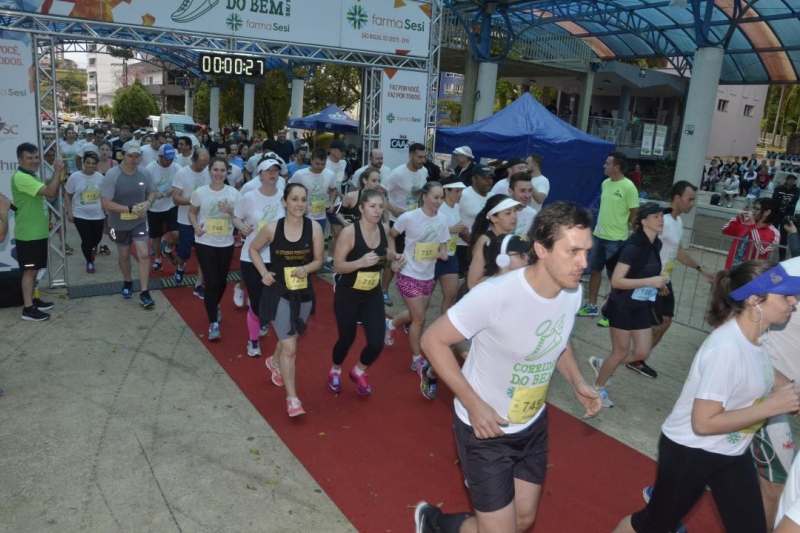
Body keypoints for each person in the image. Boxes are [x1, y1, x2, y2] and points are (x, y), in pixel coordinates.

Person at [414, 201, 602, 533]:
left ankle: (437, 525)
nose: (583, 263)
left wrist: (576, 380)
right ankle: (436, 521)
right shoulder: (496, 295)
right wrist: (474, 404)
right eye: (572, 251)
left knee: (524, 520)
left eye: (586, 251)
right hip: (485, 431)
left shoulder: (571, 292)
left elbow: (557, 338)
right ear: (541, 250)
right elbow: (432, 341)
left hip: (531, 424)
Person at [613, 260, 800, 533]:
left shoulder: (759, 336)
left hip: (732, 452)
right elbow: (703, 423)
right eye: (786, 296)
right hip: (691, 452)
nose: (794, 302)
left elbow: (765, 369)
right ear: (754, 300)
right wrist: (771, 406)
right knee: (654, 524)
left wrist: (789, 391)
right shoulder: (726, 348)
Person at [248, 183, 325, 417]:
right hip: (278, 293)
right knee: (290, 346)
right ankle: (292, 399)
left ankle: (274, 361)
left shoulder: (314, 229)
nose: (299, 204)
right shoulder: (273, 228)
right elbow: (253, 249)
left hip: (303, 293)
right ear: (284, 202)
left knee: (291, 335)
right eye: (294, 199)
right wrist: (264, 273)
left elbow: (320, 260)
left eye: (303, 199)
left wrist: (306, 268)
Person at [588, 203, 670, 407]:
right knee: (621, 352)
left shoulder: (655, 244)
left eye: (662, 216)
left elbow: (645, 271)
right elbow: (616, 281)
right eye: (656, 216)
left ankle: (603, 364)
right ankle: (597, 390)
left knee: (643, 352)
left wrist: (659, 281)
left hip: (640, 304)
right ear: (643, 221)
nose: (661, 219)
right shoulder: (633, 246)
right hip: (621, 305)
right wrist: (650, 282)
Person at [329, 189, 404, 396]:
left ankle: (358, 371)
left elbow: (382, 251)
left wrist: (395, 256)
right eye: (372, 206)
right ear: (361, 208)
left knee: (376, 342)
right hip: (348, 294)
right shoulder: (349, 233)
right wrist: (360, 263)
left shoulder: (383, 228)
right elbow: (338, 266)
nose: (377, 210)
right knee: (347, 338)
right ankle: (335, 370)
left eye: (380, 206)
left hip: (372, 294)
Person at [384, 181, 450, 399]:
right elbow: (391, 235)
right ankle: (416, 359)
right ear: (425, 197)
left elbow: (443, 244)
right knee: (420, 318)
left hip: (427, 275)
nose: (439, 202)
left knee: (414, 315)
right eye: (436, 197)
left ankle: (391, 324)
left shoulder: (442, 220)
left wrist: (443, 253)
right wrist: (394, 258)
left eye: (441, 198)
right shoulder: (409, 218)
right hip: (408, 272)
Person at [650, 181, 715, 351]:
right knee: (654, 325)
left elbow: (678, 251)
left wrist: (701, 269)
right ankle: (635, 357)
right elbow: (647, 252)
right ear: (677, 198)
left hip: (665, 279)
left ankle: (638, 357)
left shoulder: (677, 221)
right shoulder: (661, 220)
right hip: (652, 280)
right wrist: (656, 280)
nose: (692, 204)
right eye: (690, 199)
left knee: (666, 321)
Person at [577, 151, 639, 327]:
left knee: (615, 278)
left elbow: (633, 212)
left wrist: (624, 227)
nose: (604, 166)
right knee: (595, 271)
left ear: (616, 167)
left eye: (607, 163)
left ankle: (613, 312)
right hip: (598, 236)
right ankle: (592, 306)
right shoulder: (605, 183)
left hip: (616, 239)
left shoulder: (629, 187)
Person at [233, 159, 285, 356]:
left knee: (274, 299)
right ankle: (253, 341)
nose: (272, 173)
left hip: (277, 257)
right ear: (260, 174)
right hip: (251, 257)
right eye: (268, 170)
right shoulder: (249, 197)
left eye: (276, 170)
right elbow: (236, 216)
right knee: (256, 300)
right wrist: (240, 226)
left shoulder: (284, 197)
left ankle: (264, 320)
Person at [188, 157, 242, 340]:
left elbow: (239, 218)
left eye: (222, 170)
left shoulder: (234, 193)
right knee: (211, 282)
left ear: (227, 172)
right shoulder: (200, 192)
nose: (219, 174)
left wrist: (231, 211)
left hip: (225, 243)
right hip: (205, 241)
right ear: (209, 171)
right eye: (215, 170)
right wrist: (195, 225)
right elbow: (191, 212)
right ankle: (213, 323)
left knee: (221, 281)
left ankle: (215, 304)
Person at [100, 144, 157, 308]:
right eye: (130, 156)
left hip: (140, 221)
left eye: (137, 156)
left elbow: (151, 192)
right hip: (118, 222)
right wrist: (130, 209)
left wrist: (148, 202)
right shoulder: (112, 175)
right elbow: (106, 203)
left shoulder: (144, 172)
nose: (134, 159)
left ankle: (145, 292)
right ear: (123, 155)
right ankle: (127, 281)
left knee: (144, 253)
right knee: (124, 256)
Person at [10, 142, 61, 321]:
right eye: (29, 158)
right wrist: (57, 171)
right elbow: (51, 193)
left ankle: (33, 300)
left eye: (36, 157)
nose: (35, 161)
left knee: (35, 269)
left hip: (37, 233)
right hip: (29, 234)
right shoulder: (22, 178)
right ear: (20, 159)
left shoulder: (31, 176)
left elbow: (50, 193)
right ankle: (28, 309)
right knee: (29, 272)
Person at [380, 142, 429, 306]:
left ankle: (411, 289)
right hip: (397, 222)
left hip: (415, 222)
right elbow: (380, 193)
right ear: (411, 155)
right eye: (419, 157)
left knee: (413, 257)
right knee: (394, 257)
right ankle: (384, 290)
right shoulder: (398, 173)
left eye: (424, 157)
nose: (422, 160)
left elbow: (422, 195)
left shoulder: (424, 172)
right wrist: (392, 207)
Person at [172, 148, 211, 296]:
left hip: (204, 220)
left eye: (206, 163)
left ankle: (198, 284)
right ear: (193, 160)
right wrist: (195, 201)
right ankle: (180, 267)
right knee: (184, 252)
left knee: (203, 253)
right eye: (201, 163)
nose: (203, 167)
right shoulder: (182, 173)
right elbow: (175, 199)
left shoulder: (209, 172)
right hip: (185, 220)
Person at [64, 151, 105, 274]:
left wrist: (107, 212)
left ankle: (91, 249)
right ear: (83, 162)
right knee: (86, 239)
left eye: (93, 163)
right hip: (80, 214)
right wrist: (69, 212)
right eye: (88, 163)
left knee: (97, 237)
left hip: (98, 214)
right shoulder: (75, 177)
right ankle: (89, 261)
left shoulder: (100, 177)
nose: (90, 166)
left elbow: (105, 196)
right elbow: (67, 194)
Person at [466, 195, 520, 290]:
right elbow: (472, 283)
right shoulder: (485, 241)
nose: (514, 216)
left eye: (515, 211)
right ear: (494, 218)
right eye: (508, 213)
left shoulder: (510, 239)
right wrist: (504, 274)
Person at [454, 164, 494, 280]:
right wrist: (463, 234)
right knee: (472, 282)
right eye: (484, 178)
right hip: (463, 246)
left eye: (490, 178)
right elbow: (452, 216)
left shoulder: (493, 197)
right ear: (474, 179)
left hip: (486, 247)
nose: (488, 181)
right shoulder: (463, 195)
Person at [145, 144, 180, 272]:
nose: (170, 161)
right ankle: (158, 260)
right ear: (160, 156)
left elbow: (182, 182)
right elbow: (144, 187)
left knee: (177, 233)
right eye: (167, 159)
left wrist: (174, 189)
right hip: (155, 208)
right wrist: (153, 193)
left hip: (171, 205)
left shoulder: (176, 167)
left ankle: (168, 250)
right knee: (156, 237)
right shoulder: (150, 169)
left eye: (172, 158)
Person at [435, 179, 467, 315]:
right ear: (446, 191)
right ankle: (411, 321)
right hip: (434, 257)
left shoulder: (456, 207)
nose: (459, 194)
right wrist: (452, 230)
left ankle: (444, 328)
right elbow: (430, 232)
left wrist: (461, 231)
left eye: (461, 191)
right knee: (424, 297)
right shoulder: (439, 209)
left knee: (451, 295)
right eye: (456, 191)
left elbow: (455, 229)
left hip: (451, 255)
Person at [722, 197, 780, 270]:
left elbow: (761, 249)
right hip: (731, 269)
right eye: (754, 208)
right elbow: (725, 230)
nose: (753, 211)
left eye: (757, 209)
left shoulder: (773, 233)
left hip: (751, 274)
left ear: (767, 212)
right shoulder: (745, 221)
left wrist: (753, 226)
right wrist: (737, 219)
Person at [288, 147, 336, 233]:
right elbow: (288, 190)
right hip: (303, 216)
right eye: (317, 164)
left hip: (321, 216)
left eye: (323, 164)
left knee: (318, 242)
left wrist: (331, 203)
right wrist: (297, 206)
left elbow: (333, 190)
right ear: (311, 161)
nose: (320, 167)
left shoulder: (330, 174)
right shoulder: (300, 174)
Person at [324, 139, 350, 272]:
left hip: (337, 202)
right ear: (333, 151)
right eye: (341, 151)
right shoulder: (325, 163)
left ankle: (330, 259)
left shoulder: (344, 163)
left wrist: (340, 192)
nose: (343, 153)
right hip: (321, 202)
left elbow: (342, 178)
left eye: (344, 151)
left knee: (338, 232)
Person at [773, 174, 800, 260]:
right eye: (790, 179)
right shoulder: (779, 188)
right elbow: (775, 199)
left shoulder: (797, 189)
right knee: (771, 234)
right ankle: (763, 253)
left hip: (787, 217)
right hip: (776, 215)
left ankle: (782, 259)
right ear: (786, 180)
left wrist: (783, 201)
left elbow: (794, 200)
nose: (792, 181)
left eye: (793, 180)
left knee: (783, 238)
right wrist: (787, 203)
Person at [508, 172, 538, 238]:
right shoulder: (500, 212)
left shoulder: (533, 214)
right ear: (511, 192)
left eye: (529, 191)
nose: (527, 195)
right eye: (522, 191)